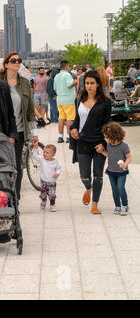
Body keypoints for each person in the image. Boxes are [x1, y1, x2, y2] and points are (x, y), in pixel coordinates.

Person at [0, 51, 38, 200]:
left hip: (19, 131)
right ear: (6, 64)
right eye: (13, 60)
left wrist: (35, 134)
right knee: (1, 166)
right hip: (0, 132)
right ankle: (2, 197)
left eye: (19, 60)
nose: (17, 63)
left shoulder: (25, 84)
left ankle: (15, 199)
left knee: (17, 167)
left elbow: (30, 111)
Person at [70, 70, 112, 215]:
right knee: (84, 175)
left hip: (99, 143)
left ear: (98, 84)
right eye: (87, 83)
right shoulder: (80, 98)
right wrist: (73, 128)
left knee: (98, 175)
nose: (89, 86)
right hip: (83, 142)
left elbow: (108, 124)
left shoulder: (106, 102)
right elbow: (77, 119)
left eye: (92, 83)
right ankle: (88, 188)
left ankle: (95, 204)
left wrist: (105, 145)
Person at [97, 122, 131, 215]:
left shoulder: (124, 146)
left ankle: (125, 205)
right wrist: (102, 151)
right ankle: (117, 205)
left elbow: (129, 157)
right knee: (114, 189)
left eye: (106, 137)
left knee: (120, 187)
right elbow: (109, 155)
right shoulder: (109, 145)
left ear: (114, 136)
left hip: (121, 171)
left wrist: (125, 164)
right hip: (111, 171)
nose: (105, 139)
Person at [31, 143, 61, 212]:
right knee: (43, 193)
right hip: (43, 181)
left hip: (52, 182)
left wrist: (57, 173)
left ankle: (52, 204)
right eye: (44, 152)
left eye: (47, 153)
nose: (44, 154)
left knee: (52, 194)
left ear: (53, 154)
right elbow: (35, 156)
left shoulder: (55, 162)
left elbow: (59, 168)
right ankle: (43, 201)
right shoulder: (42, 159)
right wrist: (35, 149)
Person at [54, 60, 77, 143]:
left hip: (60, 99)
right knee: (69, 118)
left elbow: (55, 89)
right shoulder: (67, 75)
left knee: (61, 118)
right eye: (69, 66)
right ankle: (68, 136)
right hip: (69, 99)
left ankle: (60, 136)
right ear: (67, 67)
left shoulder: (57, 76)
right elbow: (69, 85)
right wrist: (75, 81)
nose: (70, 68)